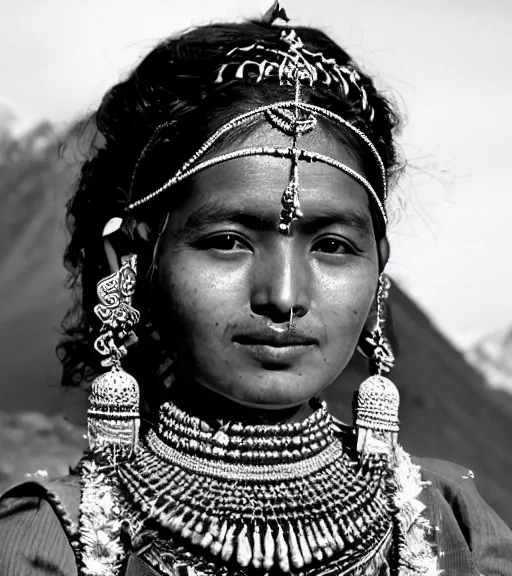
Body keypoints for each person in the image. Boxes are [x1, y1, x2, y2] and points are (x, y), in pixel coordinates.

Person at [1, 4, 511, 575]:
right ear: (134, 260)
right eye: (228, 241)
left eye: (333, 247)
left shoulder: (450, 525)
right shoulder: (49, 543)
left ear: (379, 269)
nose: (284, 295)